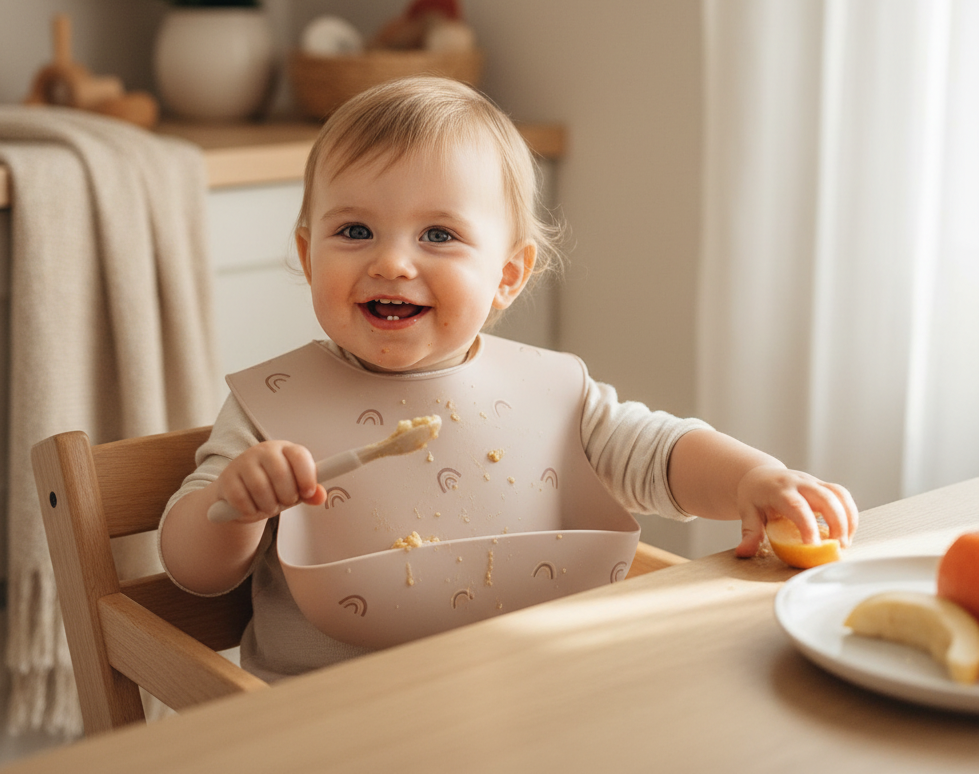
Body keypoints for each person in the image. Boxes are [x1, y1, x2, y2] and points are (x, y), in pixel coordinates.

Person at [159, 77, 858, 680]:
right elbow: (193, 569)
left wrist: (750, 479)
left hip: (526, 703)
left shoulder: (551, 397)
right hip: (325, 728)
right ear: (309, 258)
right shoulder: (270, 408)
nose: (394, 263)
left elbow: (660, 454)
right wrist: (235, 501)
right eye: (355, 232)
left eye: (438, 235)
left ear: (508, 275)